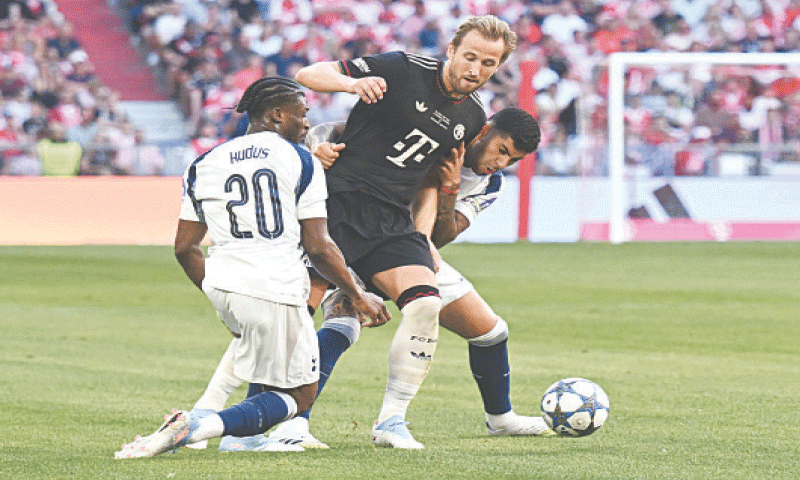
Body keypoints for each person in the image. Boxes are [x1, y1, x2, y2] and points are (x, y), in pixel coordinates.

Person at [185, 108, 554, 452]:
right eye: (501, 150)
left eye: (512, 160)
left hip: (405, 250)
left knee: (489, 330)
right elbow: (334, 128)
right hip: (348, 231)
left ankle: (498, 418)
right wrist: (318, 145)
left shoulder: (490, 184)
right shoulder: (438, 133)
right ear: (485, 131)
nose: (500, 163)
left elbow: (443, 234)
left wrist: (451, 188)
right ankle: (269, 424)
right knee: (305, 318)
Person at [114, 77, 389, 459]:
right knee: (300, 394)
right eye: (301, 114)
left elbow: (185, 247)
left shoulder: (204, 161)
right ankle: (198, 426)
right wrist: (359, 297)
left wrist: (219, 296)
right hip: (275, 283)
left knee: (268, 357)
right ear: (277, 115)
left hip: (223, 283)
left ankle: (231, 429)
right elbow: (319, 247)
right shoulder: (301, 159)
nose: (307, 124)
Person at [292, 15, 517, 449]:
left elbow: (429, 180)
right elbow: (308, 74)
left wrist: (423, 241)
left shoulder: (471, 117)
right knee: (297, 316)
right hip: (337, 204)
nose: (475, 69)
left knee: (425, 303)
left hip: (389, 219)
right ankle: (285, 421)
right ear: (451, 49)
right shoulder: (401, 68)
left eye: (488, 64)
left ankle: (392, 421)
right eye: (470, 57)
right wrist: (351, 85)